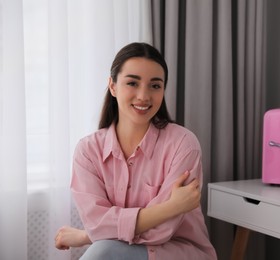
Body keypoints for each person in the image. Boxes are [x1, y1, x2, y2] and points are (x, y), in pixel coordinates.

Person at [54, 42, 217, 260]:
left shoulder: (183, 144)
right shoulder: (87, 151)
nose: (143, 96)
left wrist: (90, 234)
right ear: (112, 86)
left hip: (180, 252)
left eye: (155, 86)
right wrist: (171, 207)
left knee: (103, 251)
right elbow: (97, 225)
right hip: (118, 251)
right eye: (132, 83)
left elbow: (161, 232)